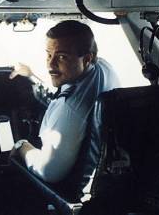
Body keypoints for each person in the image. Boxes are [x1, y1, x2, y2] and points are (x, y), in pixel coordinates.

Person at [9, 20, 120, 183]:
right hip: (108, 177)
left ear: (87, 58)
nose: (50, 64)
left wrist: (21, 146)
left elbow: (49, 172)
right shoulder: (102, 66)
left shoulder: (70, 110)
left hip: (76, 192)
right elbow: (62, 93)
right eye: (48, 54)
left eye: (62, 57)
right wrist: (31, 76)